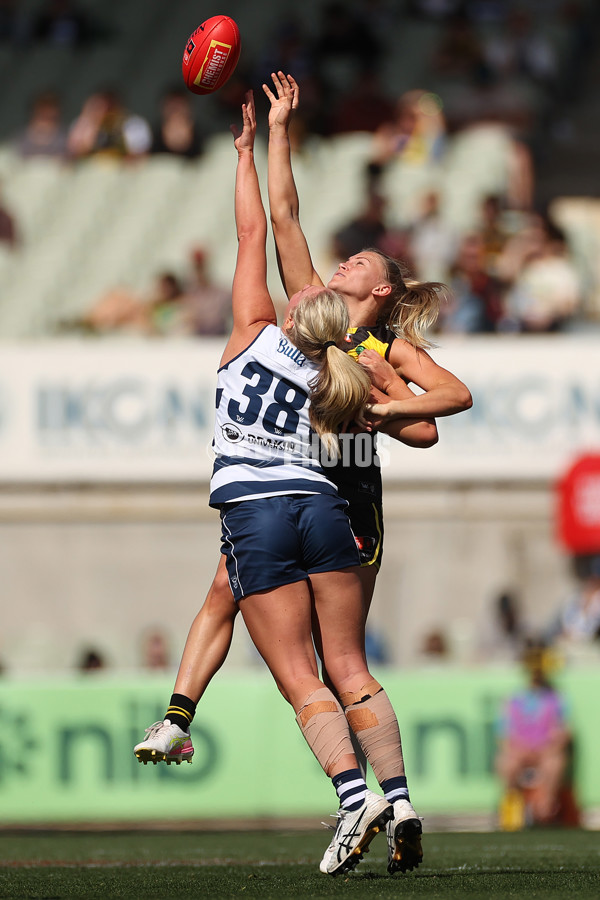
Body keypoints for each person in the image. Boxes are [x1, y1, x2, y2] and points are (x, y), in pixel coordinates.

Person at [134, 74, 472, 874]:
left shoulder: (362, 346)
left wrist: (379, 402)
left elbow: (439, 413)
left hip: (324, 497)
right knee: (265, 616)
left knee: (305, 657)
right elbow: (283, 217)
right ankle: (391, 798)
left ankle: (359, 793)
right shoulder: (327, 342)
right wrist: (280, 131)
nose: (337, 265)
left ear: (378, 290)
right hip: (317, 498)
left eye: (358, 261)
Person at [495, 641, 577, 829]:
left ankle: (546, 807)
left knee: (554, 763)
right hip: (520, 750)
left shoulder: (557, 698)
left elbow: (564, 731)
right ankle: (513, 804)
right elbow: (503, 734)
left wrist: (548, 748)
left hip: (546, 750)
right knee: (506, 763)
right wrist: (519, 749)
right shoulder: (514, 699)